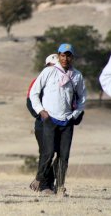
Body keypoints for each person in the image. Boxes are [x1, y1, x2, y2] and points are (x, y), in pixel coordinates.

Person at [30, 43, 87, 196]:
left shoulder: (77, 76)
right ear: (59, 56)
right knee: (48, 153)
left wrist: (74, 115)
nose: (65, 58)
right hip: (50, 119)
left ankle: (60, 186)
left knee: (64, 155)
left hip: (67, 121)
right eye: (63, 55)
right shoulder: (49, 72)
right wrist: (41, 111)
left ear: (72, 57)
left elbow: (82, 98)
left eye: (68, 55)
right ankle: (39, 180)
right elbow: (34, 93)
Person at [26, 54, 58, 194]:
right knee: (46, 153)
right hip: (43, 124)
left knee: (60, 154)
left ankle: (51, 184)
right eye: (53, 66)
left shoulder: (64, 80)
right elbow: (29, 102)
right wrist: (41, 115)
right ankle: (45, 185)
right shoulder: (37, 80)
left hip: (60, 123)